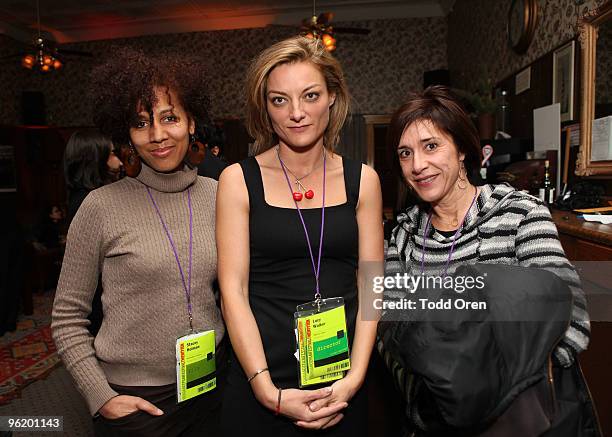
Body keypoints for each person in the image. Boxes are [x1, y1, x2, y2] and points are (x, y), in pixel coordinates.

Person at [379, 86, 599, 436]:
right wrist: (435, 400)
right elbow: (390, 332)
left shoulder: (519, 215)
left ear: (463, 149)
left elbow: (570, 319)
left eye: (431, 146)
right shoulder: (403, 236)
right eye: (405, 153)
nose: (417, 165)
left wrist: (498, 397)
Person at [51, 47, 225, 437]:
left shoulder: (219, 195)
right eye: (142, 123)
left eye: (169, 118)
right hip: (138, 401)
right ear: (126, 133)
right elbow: (66, 318)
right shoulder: (100, 206)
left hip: (212, 386)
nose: (158, 135)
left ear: (191, 121)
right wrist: (101, 396)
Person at [217, 36, 383, 435]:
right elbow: (233, 291)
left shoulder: (365, 181)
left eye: (309, 95)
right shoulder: (238, 180)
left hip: (344, 381)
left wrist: (354, 379)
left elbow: (373, 285)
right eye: (279, 100)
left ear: (332, 97)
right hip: (262, 379)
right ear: (265, 108)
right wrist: (266, 390)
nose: (296, 113)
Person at [63, 129, 123, 336]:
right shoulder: (89, 202)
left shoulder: (85, 195)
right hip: (100, 302)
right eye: (113, 154)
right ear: (95, 158)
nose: (120, 160)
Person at [63, 129, 122, 224]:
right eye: (113, 153)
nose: (120, 162)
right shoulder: (88, 202)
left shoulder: (87, 196)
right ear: (97, 158)